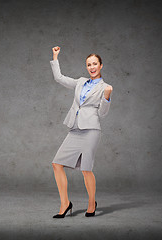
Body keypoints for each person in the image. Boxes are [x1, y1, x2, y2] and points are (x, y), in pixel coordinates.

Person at [50, 46, 113, 218]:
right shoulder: (80, 82)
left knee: (86, 169)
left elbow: (102, 113)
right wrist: (55, 57)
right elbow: (59, 78)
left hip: (91, 130)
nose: (92, 67)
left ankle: (91, 203)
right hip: (75, 128)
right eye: (89, 64)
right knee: (57, 164)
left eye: (95, 64)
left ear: (101, 66)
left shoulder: (105, 87)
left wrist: (107, 97)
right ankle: (65, 203)